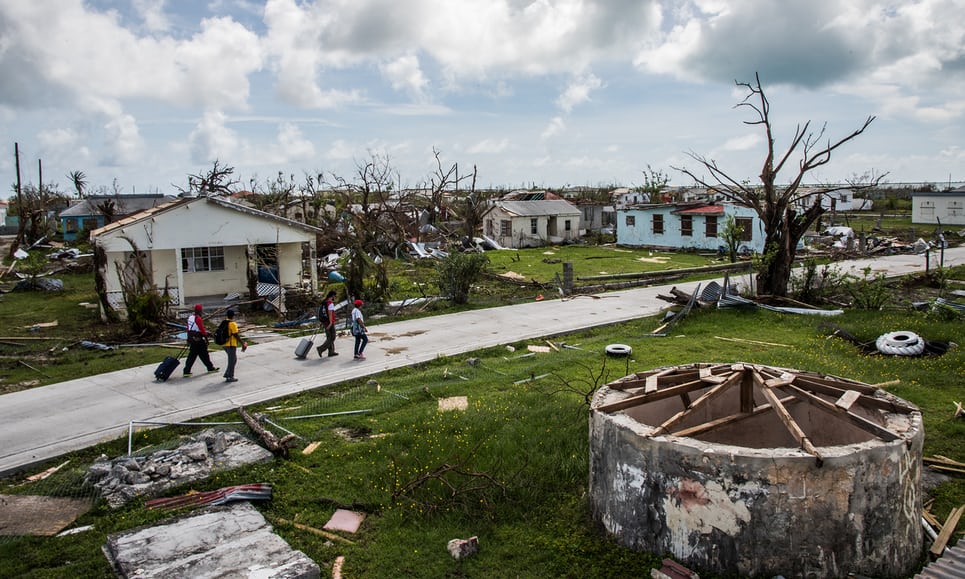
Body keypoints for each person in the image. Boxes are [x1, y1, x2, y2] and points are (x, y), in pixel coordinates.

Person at [183, 304, 219, 377]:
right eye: (201, 310)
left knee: (193, 355)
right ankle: (210, 368)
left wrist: (188, 339)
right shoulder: (198, 319)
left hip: (192, 339)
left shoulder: (190, 317)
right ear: (199, 310)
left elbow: (188, 328)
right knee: (204, 354)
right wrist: (206, 339)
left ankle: (186, 371)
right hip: (198, 340)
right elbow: (202, 330)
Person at [222, 309, 246, 383]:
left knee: (233, 360)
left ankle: (227, 374)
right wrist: (242, 344)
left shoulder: (224, 322)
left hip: (224, 344)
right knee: (232, 360)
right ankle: (230, 377)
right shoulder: (232, 324)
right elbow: (236, 335)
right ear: (233, 315)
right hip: (231, 345)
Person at [315, 290, 339, 358]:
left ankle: (331, 351)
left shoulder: (324, 302)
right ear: (333, 296)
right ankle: (321, 348)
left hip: (324, 321)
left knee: (329, 337)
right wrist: (331, 323)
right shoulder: (330, 303)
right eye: (335, 296)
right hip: (329, 322)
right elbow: (330, 313)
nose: (335, 297)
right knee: (332, 337)